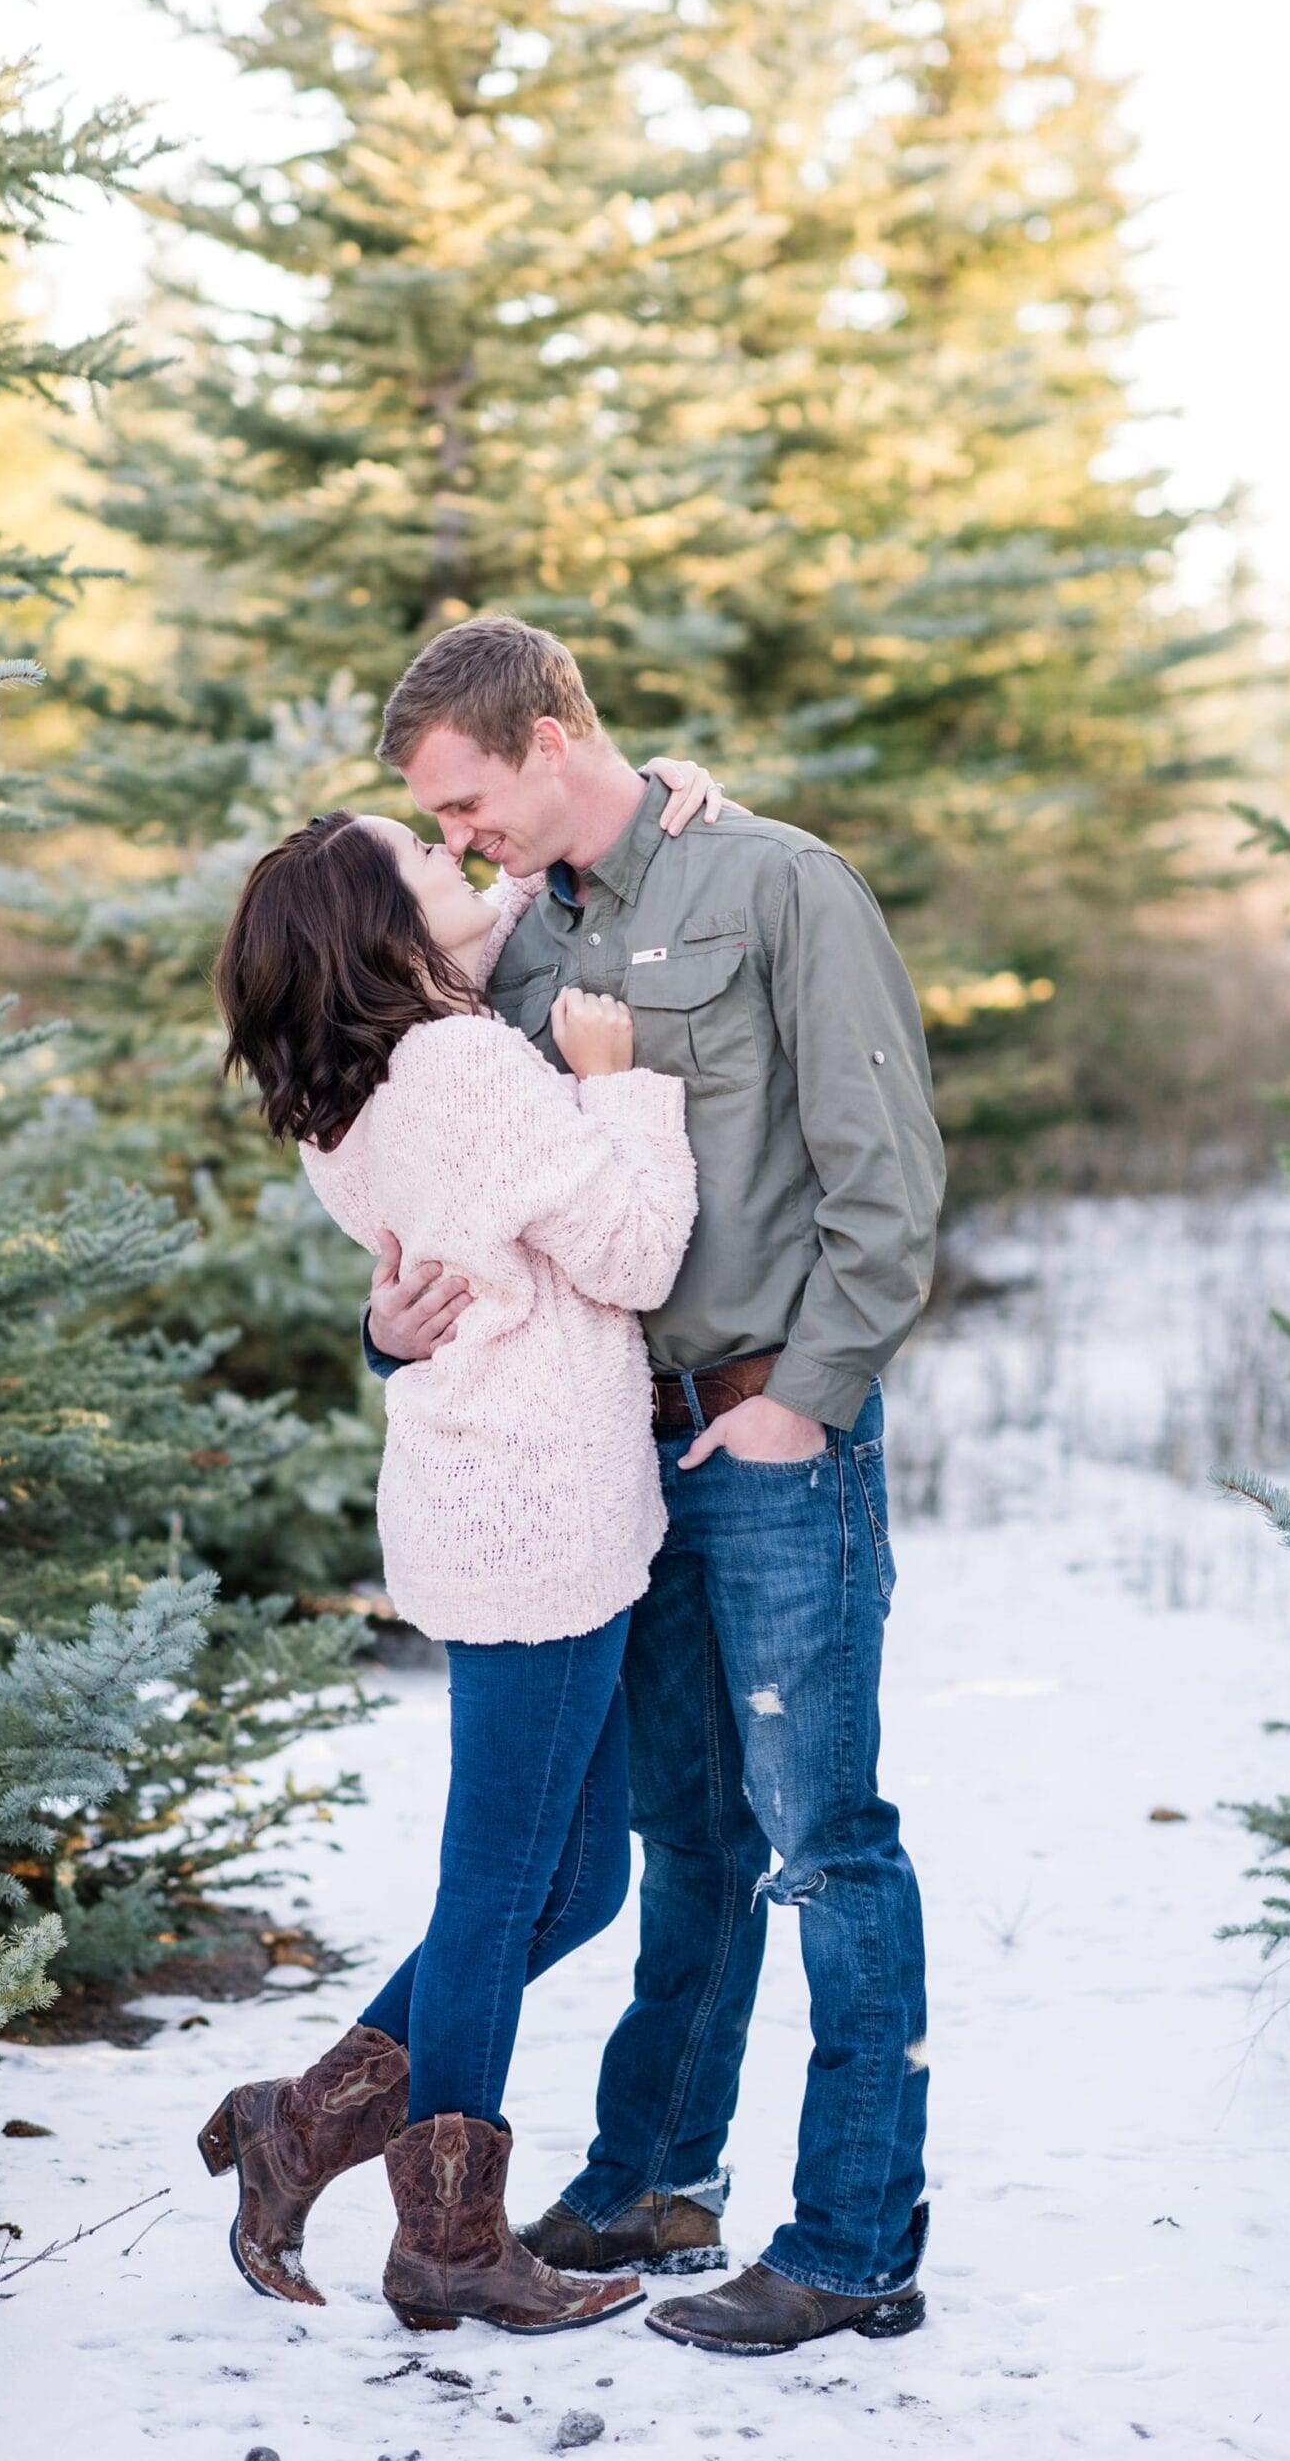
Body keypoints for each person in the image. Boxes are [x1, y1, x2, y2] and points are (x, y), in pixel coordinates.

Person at [364, 614, 945, 2356]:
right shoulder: (515, 947)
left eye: (467, 801)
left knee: (822, 1841)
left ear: (551, 740)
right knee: (677, 1834)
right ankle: (649, 2180)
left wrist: (810, 1402)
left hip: (768, 1438)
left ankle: (852, 2240)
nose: (457, 842)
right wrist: (392, 1331)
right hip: (608, 1451)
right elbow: (452, 1173)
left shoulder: (779, 888)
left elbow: (887, 1177)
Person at [198, 763, 722, 2336]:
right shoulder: (465, 1075)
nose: (452, 856)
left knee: (566, 1887)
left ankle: (299, 2129)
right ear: (379, 934)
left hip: (483, 1491)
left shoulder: (361, 1079)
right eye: (415, 858)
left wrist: (653, 791)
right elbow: (631, 1251)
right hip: (540, 1510)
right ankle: (447, 2244)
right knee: (511, 1886)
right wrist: (624, 1084)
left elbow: (481, 953)